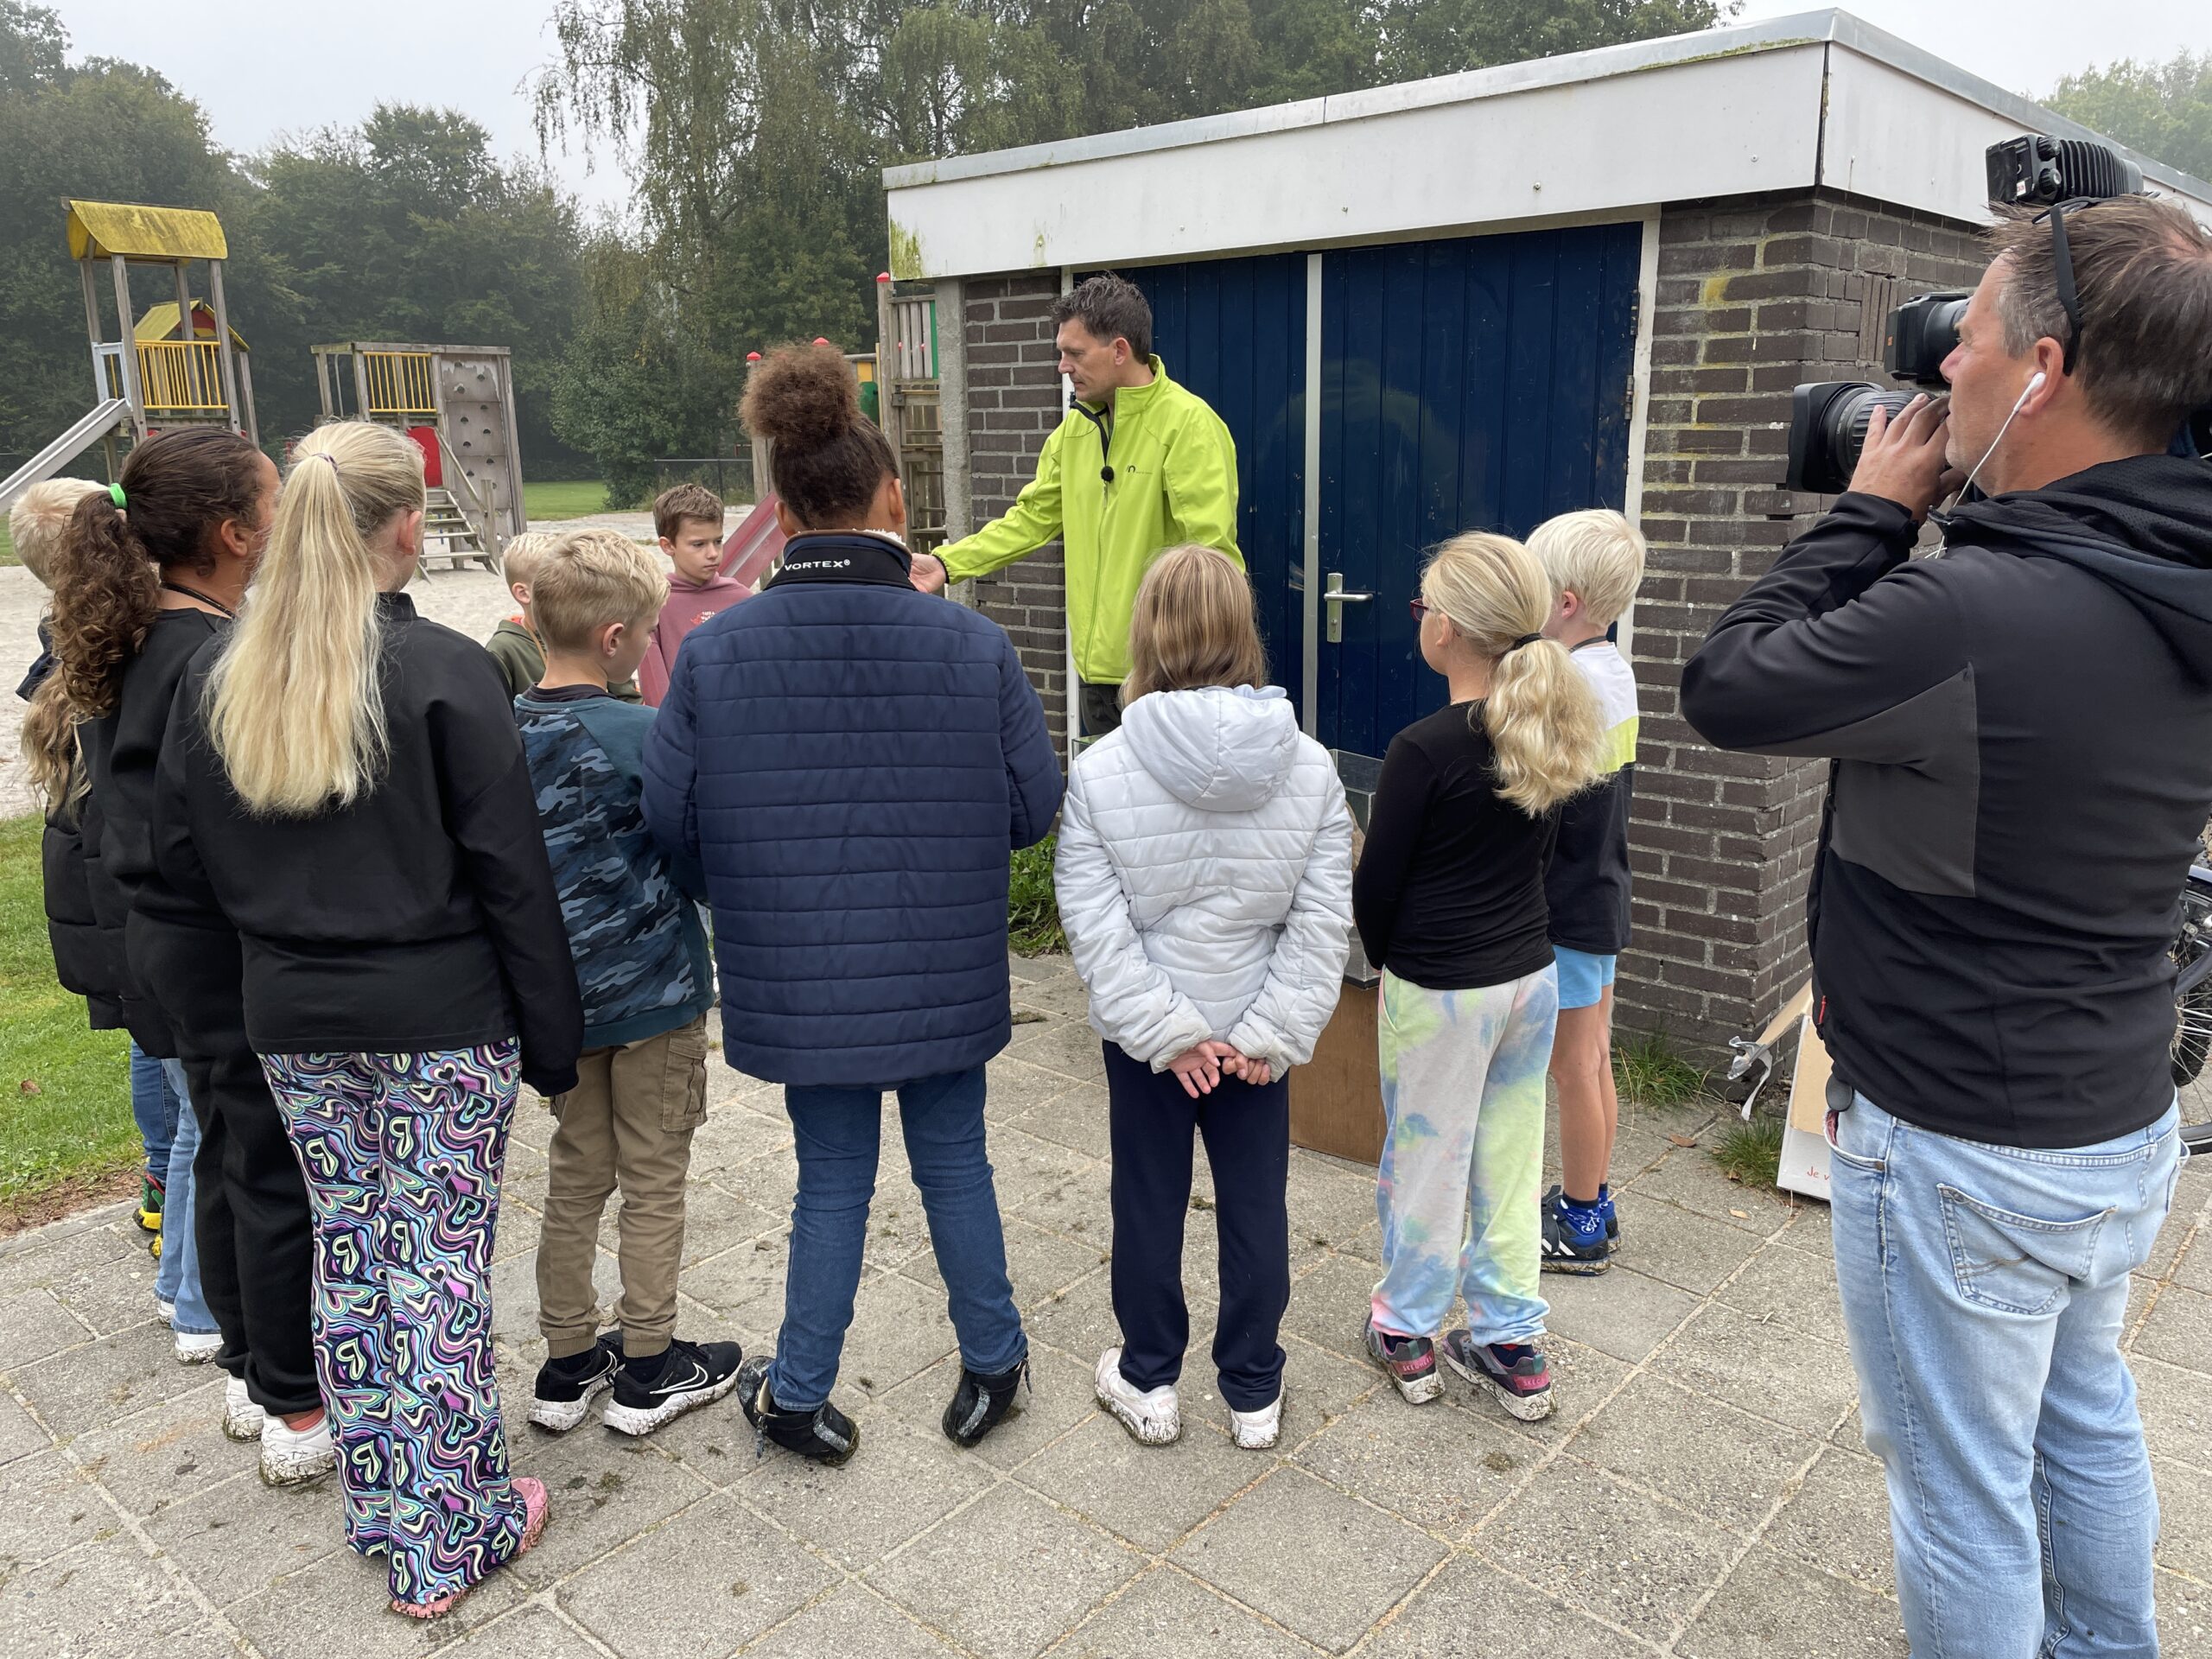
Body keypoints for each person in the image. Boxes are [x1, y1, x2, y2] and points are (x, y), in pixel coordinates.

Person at [1680, 196, 2212, 1656]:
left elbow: (1729, 684)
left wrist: (1872, 511)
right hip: (2111, 1126)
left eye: (1961, 341)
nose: (1938, 378)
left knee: (1961, 1495)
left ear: (2040, 370)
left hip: (1962, 1143)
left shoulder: (1975, 613)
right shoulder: (2177, 575)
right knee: (2081, 1416)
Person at [156, 420, 582, 1618]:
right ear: (407, 526)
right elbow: (514, 878)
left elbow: (181, 864)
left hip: (294, 1019)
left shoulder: (219, 672)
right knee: (435, 1269)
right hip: (438, 1017)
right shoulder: (441, 673)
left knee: (354, 1254)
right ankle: (449, 1539)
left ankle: (393, 1500)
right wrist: (555, 1041)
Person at [642, 345, 1061, 1465]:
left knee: (831, 1178)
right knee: (954, 1159)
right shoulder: (971, 645)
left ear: (776, 515)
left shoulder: (718, 655)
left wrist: (738, 891)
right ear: (896, 501)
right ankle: (994, 1362)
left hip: (799, 971)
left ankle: (801, 1393)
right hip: (941, 965)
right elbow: (1034, 806)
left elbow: (671, 819)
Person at [1053, 544, 1352, 1452]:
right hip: (1255, 1034)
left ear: (1146, 634)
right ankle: (1253, 1393)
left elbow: (1096, 929)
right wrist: (1269, 1034)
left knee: (1147, 1199)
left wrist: (1170, 1035)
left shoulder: (1101, 770)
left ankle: (1149, 1380)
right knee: (1255, 1202)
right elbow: (1321, 920)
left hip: (1151, 1044)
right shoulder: (1308, 766)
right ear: (1242, 631)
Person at [35, 437, 276, 1390]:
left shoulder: (134, 638)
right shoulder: (208, 659)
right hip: (215, 946)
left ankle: (244, 1360)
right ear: (233, 534)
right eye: (273, 504)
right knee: (252, 1162)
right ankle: (275, 1383)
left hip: (161, 941)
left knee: (219, 1150)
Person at [1351, 532, 1603, 1423]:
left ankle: (1407, 1327)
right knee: (1506, 1151)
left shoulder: (1423, 749)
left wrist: (1384, 963)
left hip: (1442, 990)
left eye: (1422, 608)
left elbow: (1376, 887)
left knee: (1426, 1156)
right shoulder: (1549, 725)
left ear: (1444, 628)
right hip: (1528, 981)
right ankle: (1508, 1339)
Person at [514, 528, 741, 1436]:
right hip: (654, 998)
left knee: (576, 1174)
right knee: (653, 1175)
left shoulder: (493, 732)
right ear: (616, 639)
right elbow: (700, 856)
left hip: (559, 1008)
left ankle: (568, 1361)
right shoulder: (647, 736)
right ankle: (650, 1362)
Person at [907, 274, 1243, 738]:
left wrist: (1208, 674)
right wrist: (946, 563)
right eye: (1061, 353)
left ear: (1120, 350)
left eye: (1075, 354)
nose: (1062, 366)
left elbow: (1212, 559)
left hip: (1169, 679)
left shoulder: (1188, 427)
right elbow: (1030, 520)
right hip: (1096, 682)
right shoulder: (1072, 433)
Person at [12, 480, 168, 1243]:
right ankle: (174, 1178)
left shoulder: (66, 636)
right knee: (166, 1044)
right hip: (120, 887)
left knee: (149, 1042)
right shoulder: (118, 645)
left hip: (89, 884)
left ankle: (160, 1175)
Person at [1527, 509, 1645, 1274]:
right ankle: (1593, 1193)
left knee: (1572, 1065)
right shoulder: (1614, 668)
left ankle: (1578, 1222)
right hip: (1602, 896)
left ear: (1564, 600)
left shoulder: (1565, 685)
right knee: (1594, 1057)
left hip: (1567, 907)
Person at [486, 531, 645, 707]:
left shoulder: (590, 631)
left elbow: (629, 699)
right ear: (523, 593)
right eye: (553, 582)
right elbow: (496, 716)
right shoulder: (503, 649)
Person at [637, 481, 744, 706]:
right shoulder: (653, 604)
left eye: (718, 541)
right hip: (681, 728)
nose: (713, 553)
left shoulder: (742, 600)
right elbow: (656, 692)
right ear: (668, 546)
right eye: (698, 544)